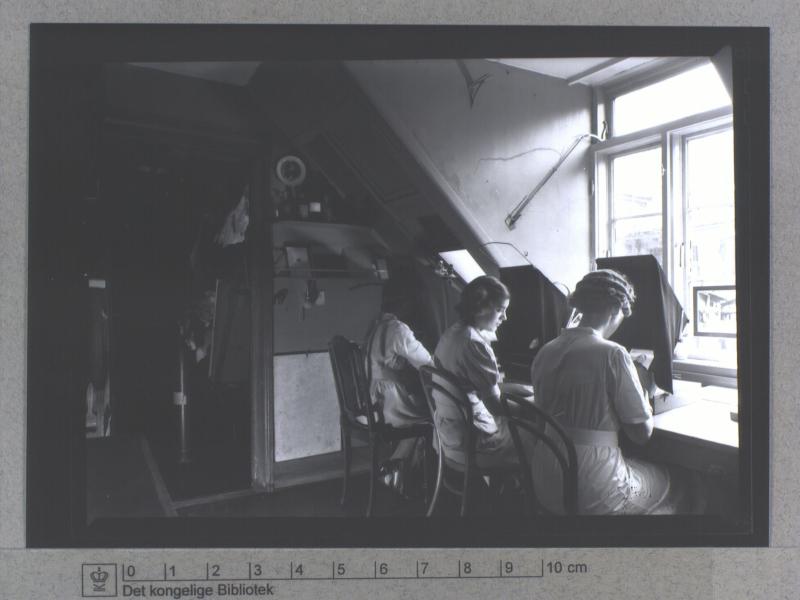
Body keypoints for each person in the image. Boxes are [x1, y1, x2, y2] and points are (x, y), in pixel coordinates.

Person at [530, 269, 672, 515]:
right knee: (676, 481)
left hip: (544, 477)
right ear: (616, 310)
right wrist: (644, 391)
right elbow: (642, 434)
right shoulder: (613, 353)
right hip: (592, 487)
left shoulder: (546, 350)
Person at [433, 275, 533, 469]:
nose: (505, 317)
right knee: (542, 438)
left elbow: (477, 387)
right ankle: (520, 496)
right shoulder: (474, 344)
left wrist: (520, 388)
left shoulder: (453, 333)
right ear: (479, 307)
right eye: (500, 310)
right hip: (472, 441)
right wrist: (531, 408)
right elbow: (496, 406)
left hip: (448, 433)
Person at [365, 278, 434, 496]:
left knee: (421, 412)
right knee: (432, 416)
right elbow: (428, 364)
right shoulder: (397, 329)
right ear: (406, 303)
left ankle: (397, 471)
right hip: (387, 401)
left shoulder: (376, 324)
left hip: (372, 399)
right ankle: (396, 468)